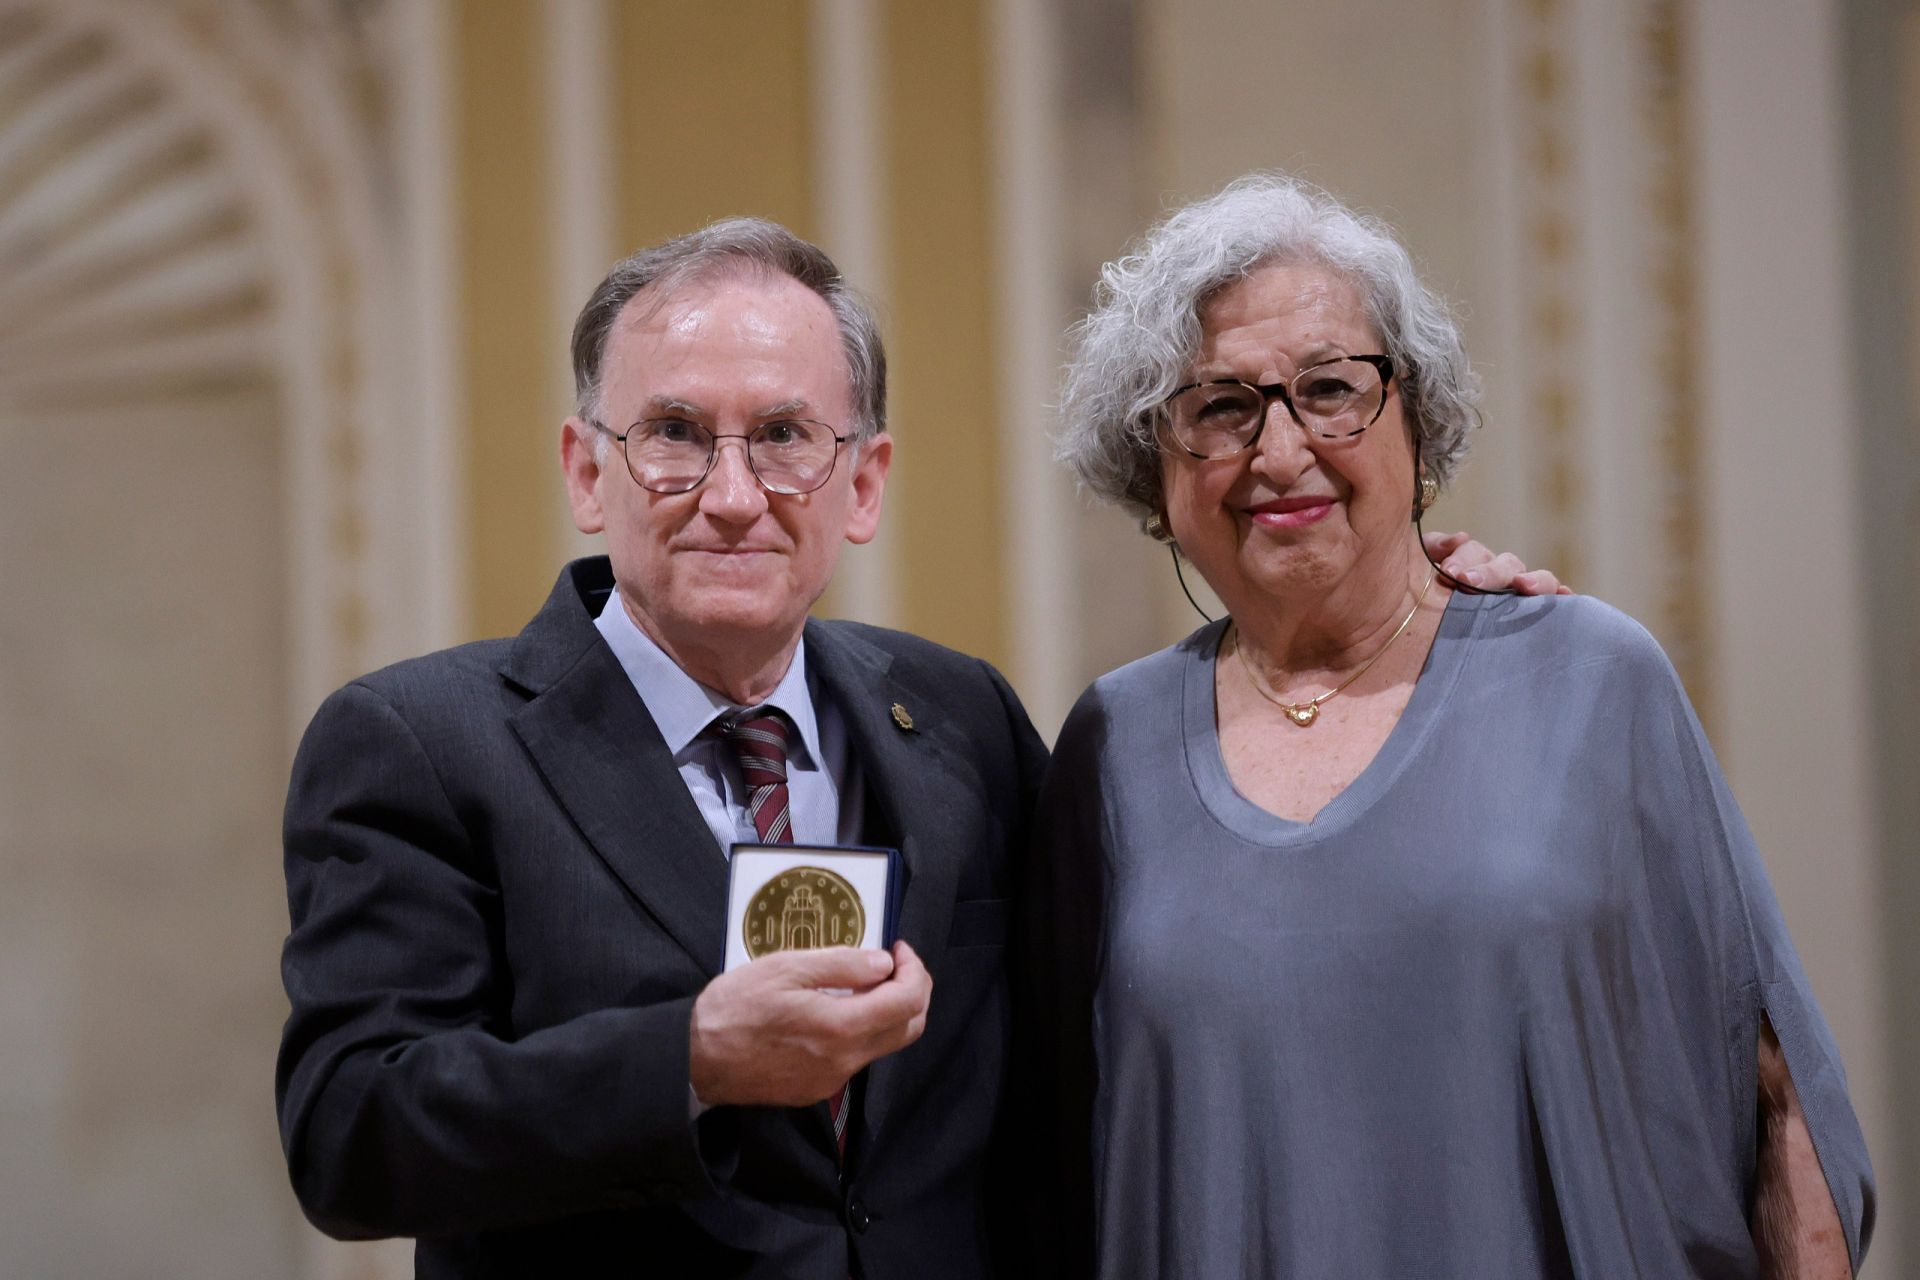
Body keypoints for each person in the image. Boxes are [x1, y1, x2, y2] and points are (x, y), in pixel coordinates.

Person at [276, 216, 1555, 1278]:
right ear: (584, 468)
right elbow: (349, 1132)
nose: (733, 493)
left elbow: (1116, 1028)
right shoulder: (424, 744)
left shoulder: (963, 721)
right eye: (673, 434)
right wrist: (691, 1057)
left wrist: (1401, 606)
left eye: (787, 436)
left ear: (866, 482)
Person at [1025, 173, 1875, 1279]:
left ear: (1417, 422)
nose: (1279, 451)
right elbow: (1045, 1158)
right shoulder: (1112, 746)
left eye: (1331, 389)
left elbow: (1775, 1096)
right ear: (1157, 468)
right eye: (1221, 408)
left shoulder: (1591, 678)